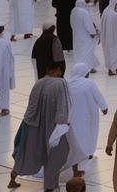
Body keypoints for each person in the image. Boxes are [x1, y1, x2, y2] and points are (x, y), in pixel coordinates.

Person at [10, 61, 71, 191]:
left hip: (33, 126)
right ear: (58, 70)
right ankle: (50, 187)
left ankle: (13, 176)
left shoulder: (38, 83)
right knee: (55, 157)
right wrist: (63, 124)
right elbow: (64, 106)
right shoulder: (61, 83)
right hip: (53, 127)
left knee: (29, 153)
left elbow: (31, 109)